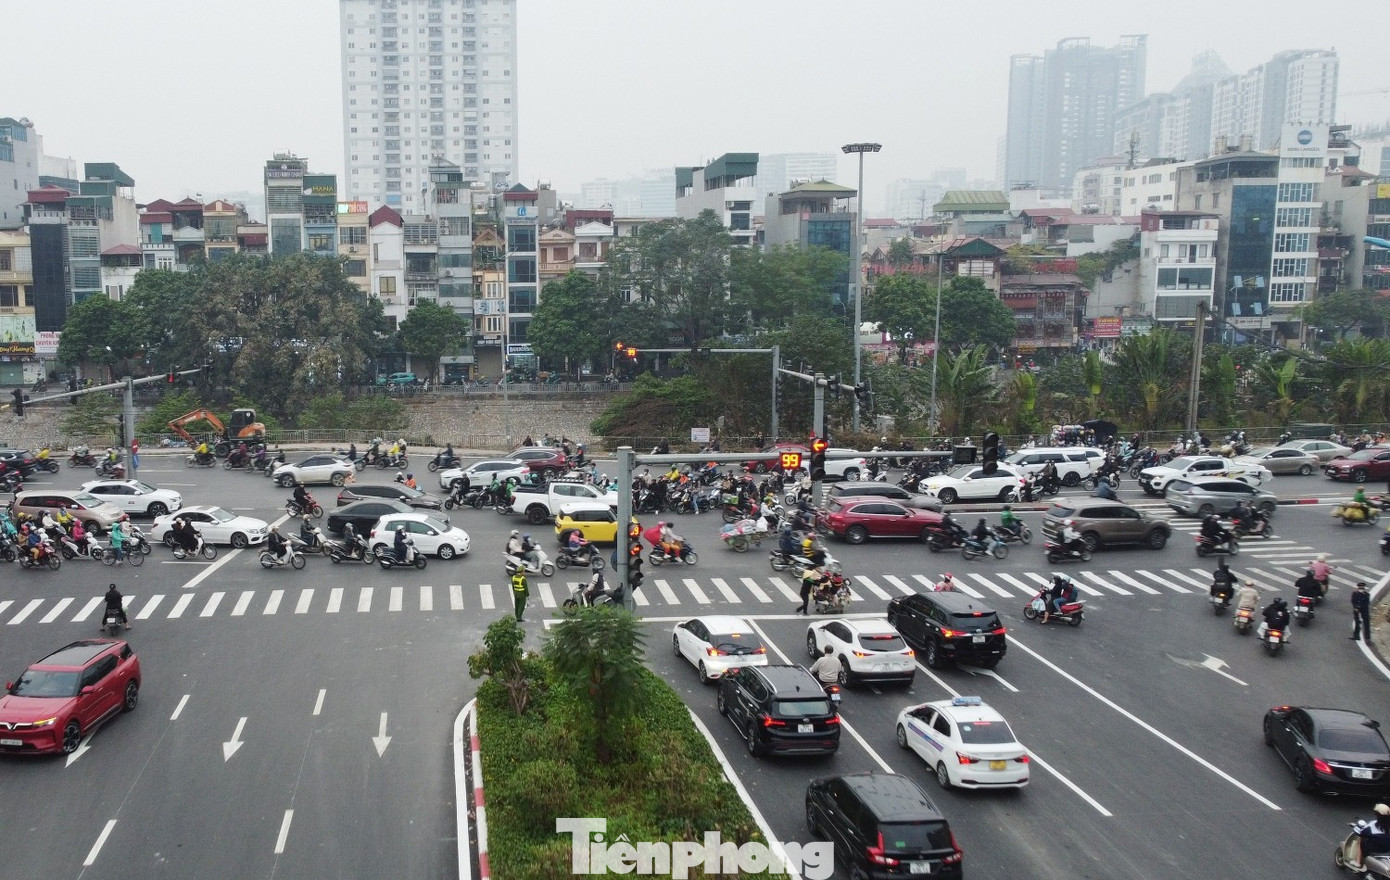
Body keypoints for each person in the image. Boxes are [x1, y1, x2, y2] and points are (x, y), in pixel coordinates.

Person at [1348, 803, 1390, 871]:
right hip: (1387, 849)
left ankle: (1357, 862)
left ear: (1377, 814)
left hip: (1375, 848)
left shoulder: (1373, 825)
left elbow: (1362, 833)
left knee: (1360, 840)